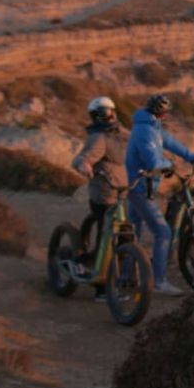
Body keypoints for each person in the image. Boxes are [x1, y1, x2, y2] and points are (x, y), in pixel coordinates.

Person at [125, 94, 194, 296]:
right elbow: (153, 162)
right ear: (160, 113)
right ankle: (159, 281)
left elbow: (170, 142)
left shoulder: (152, 126)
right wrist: (168, 165)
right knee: (163, 233)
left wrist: (191, 156)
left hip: (141, 187)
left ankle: (126, 276)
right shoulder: (145, 131)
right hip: (141, 189)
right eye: (166, 113)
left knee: (132, 232)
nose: (167, 116)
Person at [71, 96, 129, 301]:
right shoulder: (98, 137)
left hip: (121, 192)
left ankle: (117, 275)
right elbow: (82, 157)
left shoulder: (121, 134)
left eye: (110, 111)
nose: (108, 116)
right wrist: (84, 166)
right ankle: (101, 287)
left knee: (123, 237)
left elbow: (137, 148)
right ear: (95, 116)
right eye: (102, 113)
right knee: (107, 239)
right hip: (104, 194)